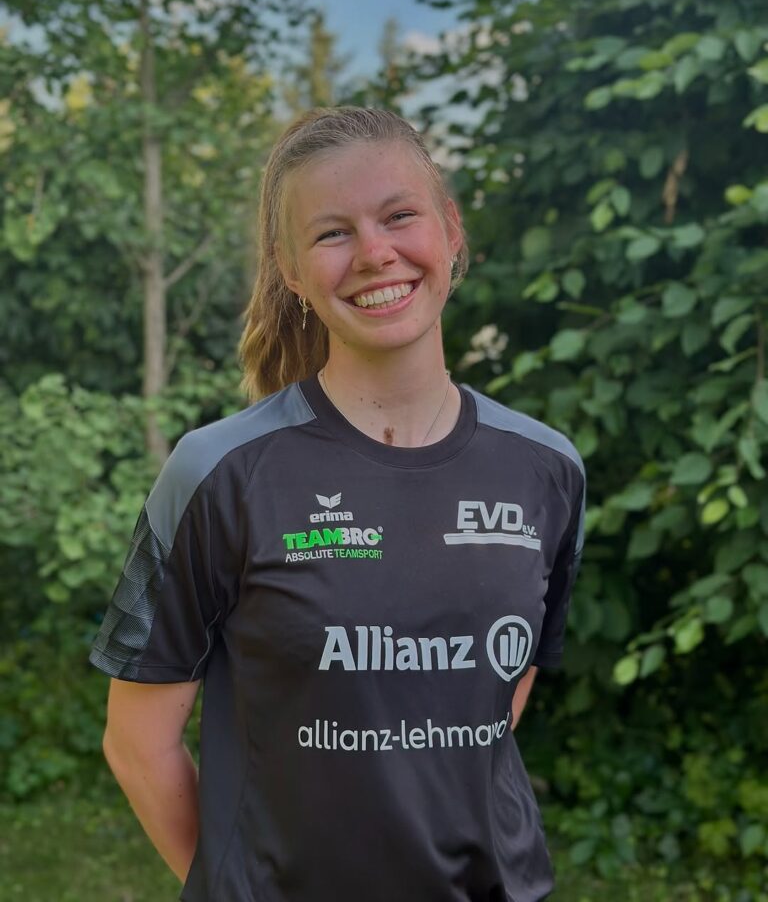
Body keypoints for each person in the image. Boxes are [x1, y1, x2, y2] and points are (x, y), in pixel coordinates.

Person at [90, 106, 586, 902]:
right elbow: (137, 743)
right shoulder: (218, 472)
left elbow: (502, 686)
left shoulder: (547, 468)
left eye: (399, 216)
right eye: (332, 233)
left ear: (451, 230)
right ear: (290, 271)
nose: (374, 253)